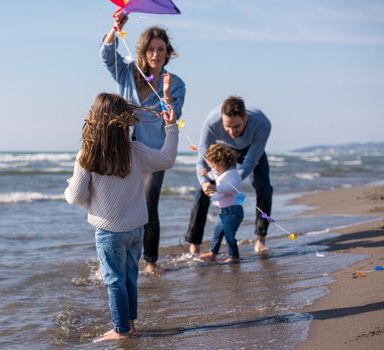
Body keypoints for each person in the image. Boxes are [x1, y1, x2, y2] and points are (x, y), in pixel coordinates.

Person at [64, 93, 179, 342]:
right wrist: (171, 127)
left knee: (114, 280)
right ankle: (130, 323)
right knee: (129, 277)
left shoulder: (89, 154)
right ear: (125, 120)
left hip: (108, 232)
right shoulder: (135, 151)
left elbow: (75, 196)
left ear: (94, 120)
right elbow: (167, 159)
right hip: (136, 228)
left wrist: (69, 187)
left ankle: (121, 330)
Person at [100, 11, 186, 274]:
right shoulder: (128, 71)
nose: (156, 54)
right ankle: (123, 257)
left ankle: (150, 261)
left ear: (167, 52)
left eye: (161, 49)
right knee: (121, 203)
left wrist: (168, 93)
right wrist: (115, 29)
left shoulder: (177, 84)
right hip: (123, 148)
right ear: (144, 51)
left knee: (149, 203)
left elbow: (173, 118)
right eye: (151, 49)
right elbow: (106, 55)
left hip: (153, 153)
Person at [185, 96, 273, 255]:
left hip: (251, 149)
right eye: (227, 127)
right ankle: (194, 245)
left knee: (264, 186)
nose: (232, 132)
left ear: (245, 118)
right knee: (202, 191)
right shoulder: (211, 122)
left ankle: (260, 238)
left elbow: (250, 162)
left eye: (237, 126)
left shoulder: (262, 124)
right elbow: (201, 161)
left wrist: (230, 181)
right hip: (224, 150)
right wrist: (205, 182)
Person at [197, 143, 244, 263]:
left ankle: (234, 256)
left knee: (229, 235)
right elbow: (214, 175)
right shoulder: (221, 172)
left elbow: (230, 187)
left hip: (233, 211)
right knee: (217, 233)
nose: (213, 168)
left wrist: (215, 188)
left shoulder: (233, 174)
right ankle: (212, 253)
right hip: (225, 211)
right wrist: (205, 174)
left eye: (214, 165)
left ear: (222, 163)